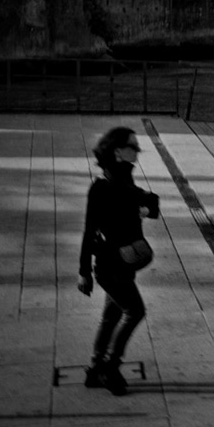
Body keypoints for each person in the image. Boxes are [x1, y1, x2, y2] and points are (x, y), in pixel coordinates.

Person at [77, 126, 160, 395]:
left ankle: (95, 369)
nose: (137, 151)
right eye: (132, 146)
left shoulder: (125, 180)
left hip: (123, 264)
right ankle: (110, 367)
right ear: (118, 151)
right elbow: (89, 231)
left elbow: (149, 204)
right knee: (135, 311)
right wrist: (84, 272)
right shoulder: (102, 187)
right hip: (109, 266)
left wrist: (145, 207)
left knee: (111, 316)